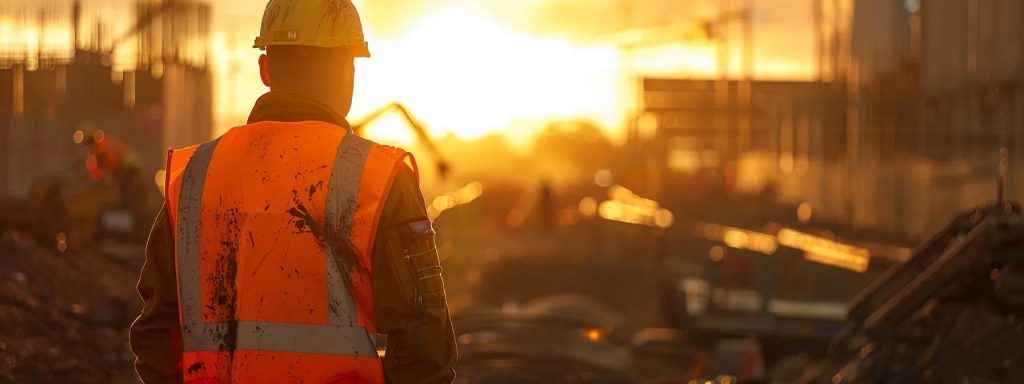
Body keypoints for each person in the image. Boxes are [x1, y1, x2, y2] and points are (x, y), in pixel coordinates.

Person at [129, 0, 458, 382]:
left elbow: (157, 335)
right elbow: (425, 347)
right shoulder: (381, 178)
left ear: (264, 69)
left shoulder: (195, 176)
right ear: (348, 73)